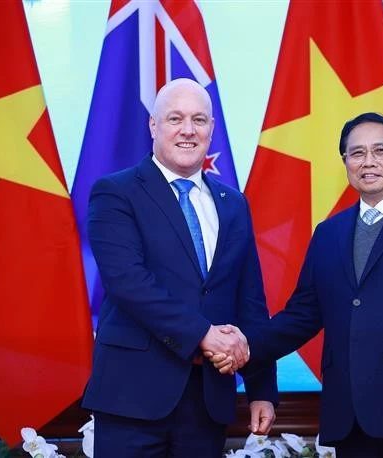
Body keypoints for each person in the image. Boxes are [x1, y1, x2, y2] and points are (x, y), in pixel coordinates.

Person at [211, 112, 383, 457]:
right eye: (356, 153)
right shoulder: (329, 233)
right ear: (345, 162)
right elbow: (302, 315)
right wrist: (243, 346)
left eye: (381, 151)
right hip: (350, 419)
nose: (368, 162)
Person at [81, 78, 277, 457]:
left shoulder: (233, 204)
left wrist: (261, 389)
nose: (188, 130)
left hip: (208, 401)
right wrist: (205, 335)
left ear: (212, 129)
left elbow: (250, 300)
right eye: (175, 118)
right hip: (132, 398)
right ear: (153, 126)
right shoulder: (116, 192)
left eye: (199, 120)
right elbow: (128, 282)